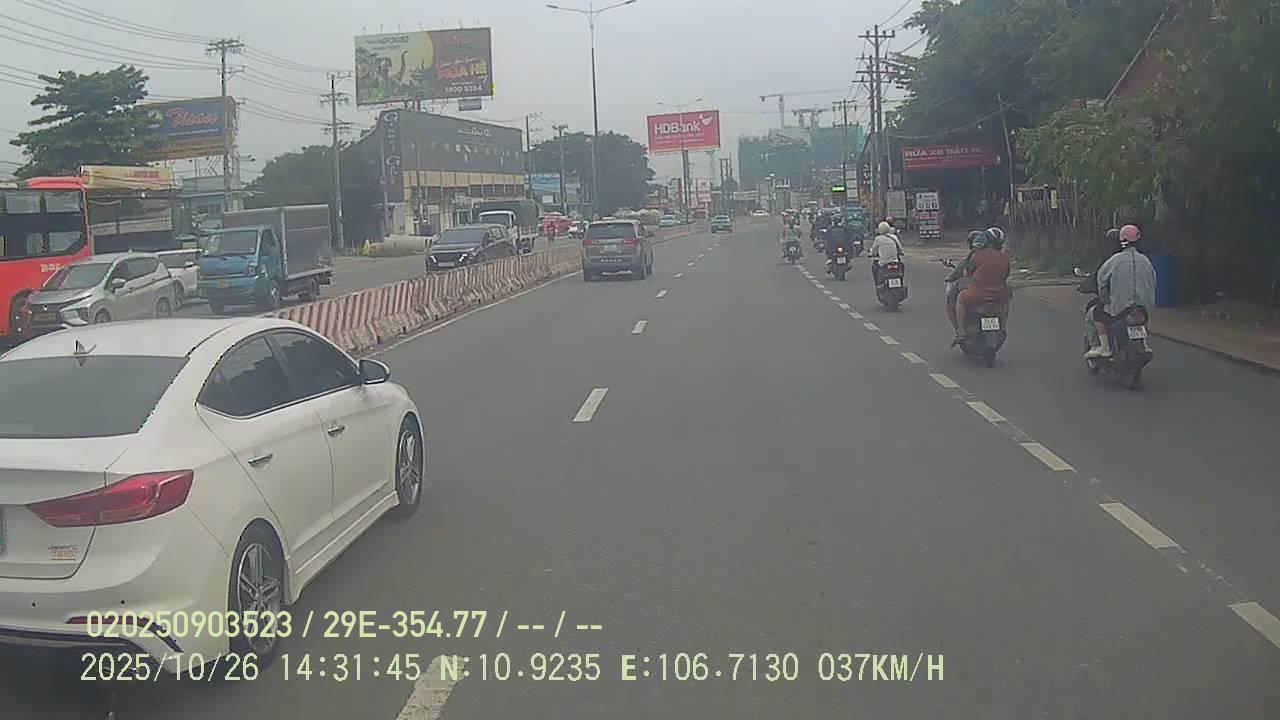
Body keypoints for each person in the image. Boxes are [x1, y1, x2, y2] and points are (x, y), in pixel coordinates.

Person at [1085, 224, 1156, 358]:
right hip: (1143, 308)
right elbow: (1153, 283)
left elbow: (1102, 281)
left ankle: (1104, 347)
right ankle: (1144, 343)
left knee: (1095, 312)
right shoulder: (1146, 261)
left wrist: (1105, 299)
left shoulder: (1115, 260)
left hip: (1121, 309)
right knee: (1143, 318)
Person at [952, 226, 1011, 343]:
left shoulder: (977, 255)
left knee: (960, 299)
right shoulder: (1005, 257)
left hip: (978, 294)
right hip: (999, 295)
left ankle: (961, 331)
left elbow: (968, 272)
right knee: (1006, 302)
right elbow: (1006, 275)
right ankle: (1003, 327)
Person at [945, 230, 988, 334]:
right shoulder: (995, 256)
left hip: (977, 287)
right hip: (993, 289)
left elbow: (961, 271)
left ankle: (960, 329)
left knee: (954, 300)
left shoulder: (972, 257)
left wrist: (949, 278)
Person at [868, 221, 904, 285]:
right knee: (902, 266)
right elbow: (900, 249)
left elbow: (874, 251)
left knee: (875, 267)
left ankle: (878, 284)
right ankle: (901, 281)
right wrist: (900, 253)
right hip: (895, 261)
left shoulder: (878, 238)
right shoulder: (894, 237)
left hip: (883, 263)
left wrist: (873, 254)